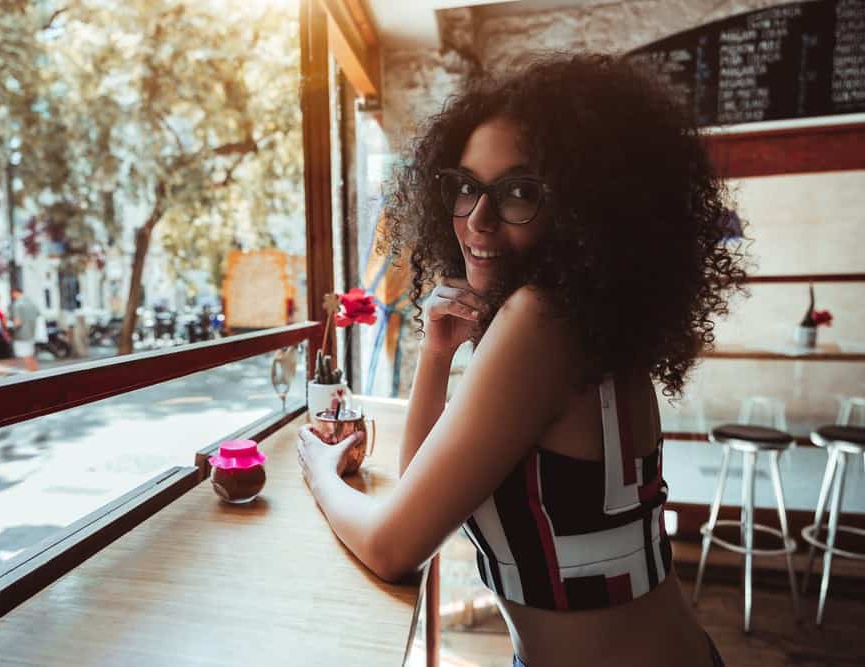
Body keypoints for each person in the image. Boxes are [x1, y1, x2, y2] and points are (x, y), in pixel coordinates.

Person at [295, 54, 745, 667]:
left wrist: (319, 470)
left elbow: (392, 545)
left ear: (585, 208)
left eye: (519, 193)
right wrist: (435, 354)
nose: (477, 219)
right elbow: (419, 491)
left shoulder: (540, 320)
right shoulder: (587, 315)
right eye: (466, 187)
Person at [10, 287, 40, 371]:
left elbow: (17, 322)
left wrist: (10, 326)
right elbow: (38, 315)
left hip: (21, 334)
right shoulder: (31, 302)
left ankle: (30, 377)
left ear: (15, 293)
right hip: (32, 332)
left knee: (25, 357)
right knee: (31, 355)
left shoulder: (17, 304)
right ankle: (36, 374)